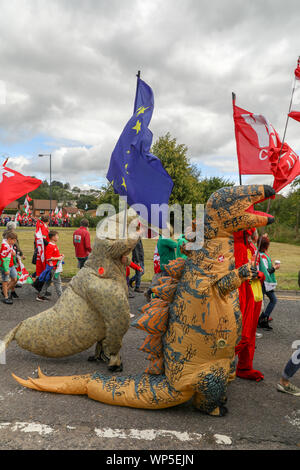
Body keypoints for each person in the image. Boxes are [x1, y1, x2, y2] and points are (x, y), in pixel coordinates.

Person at [258, 234, 280, 330]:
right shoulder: (263, 256)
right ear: (266, 246)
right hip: (264, 282)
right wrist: (275, 267)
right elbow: (267, 271)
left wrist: (261, 238)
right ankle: (262, 318)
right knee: (271, 300)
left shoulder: (261, 253)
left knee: (261, 302)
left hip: (262, 282)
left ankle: (262, 318)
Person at [36, 231, 63, 301]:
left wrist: (60, 256)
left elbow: (54, 255)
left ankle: (40, 296)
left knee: (48, 282)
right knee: (58, 282)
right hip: (53, 267)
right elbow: (48, 258)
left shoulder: (54, 245)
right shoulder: (50, 246)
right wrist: (58, 258)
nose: (58, 237)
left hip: (55, 266)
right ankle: (62, 298)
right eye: (57, 236)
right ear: (53, 237)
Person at [0, 231, 18, 304]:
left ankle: (5, 290)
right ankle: (6, 297)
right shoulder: (5, 246)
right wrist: (6, 269)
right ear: (9, 239)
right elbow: (3, 258)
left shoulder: (9, 244)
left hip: (11, 265)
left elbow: (12, 251)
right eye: (14, 240)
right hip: (5, 266)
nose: (14, 242)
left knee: (15, 279)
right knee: (5, 281)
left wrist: (13, 252)